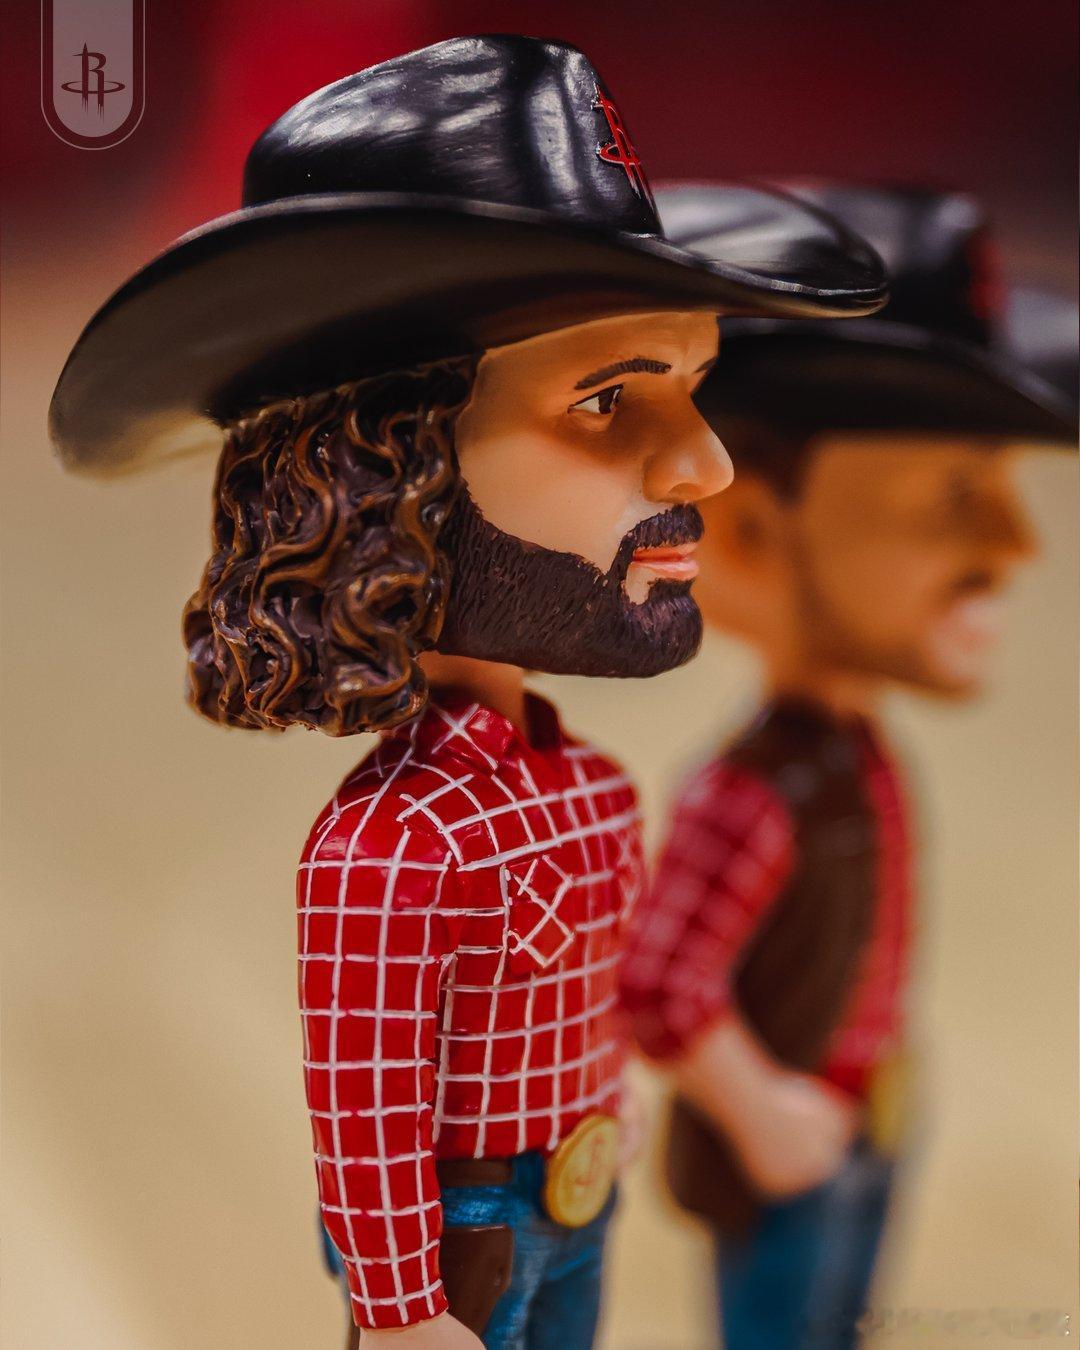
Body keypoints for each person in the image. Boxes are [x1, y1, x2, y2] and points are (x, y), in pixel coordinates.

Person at [48, 41, 885, 1349]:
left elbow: (587, 994)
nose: (707, 463)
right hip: (462, 1237)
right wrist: (399, 1311)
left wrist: (608, 1103)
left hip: (575, 1193)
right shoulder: (392, 846)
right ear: (401, 464)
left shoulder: (588, 790)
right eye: (606, 400)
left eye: (692, 388)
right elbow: (368, 1102)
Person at [621, 185, 1077, 1350]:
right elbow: (660, 982)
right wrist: (761, 1108)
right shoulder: (751, 795)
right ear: (749, 537)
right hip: (799, 1137)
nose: (1016, 545)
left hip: (868, 1115)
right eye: (956, 493)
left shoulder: (852, 757)